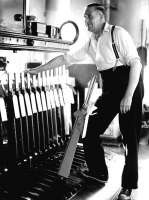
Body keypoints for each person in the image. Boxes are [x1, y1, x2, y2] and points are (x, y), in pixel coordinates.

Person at [28, 3, 144, 200]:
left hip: (129, 85)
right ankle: (100, 172)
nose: (86, 21)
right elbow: (66, 59)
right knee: (91, 132)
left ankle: (128, 187)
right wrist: (36, 70)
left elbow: (136, 63)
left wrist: (129, 95)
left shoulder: (117, 33)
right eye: (84, 17)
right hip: (110, 88)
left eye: (89, 16)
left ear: (100, 16)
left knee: (129, 139)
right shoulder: (91, 41)